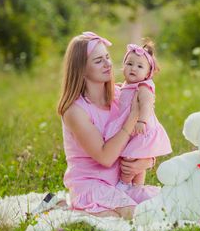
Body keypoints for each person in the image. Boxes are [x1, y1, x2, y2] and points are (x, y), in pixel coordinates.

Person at [57, 31, 158, 219]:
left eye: (107, 57)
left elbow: (146, 136)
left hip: (120, 183)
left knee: (160, 208)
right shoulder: (75, 111)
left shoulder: (120, 96)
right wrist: (133, 117)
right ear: (81, 69)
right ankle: (66, 207)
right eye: (98, 61)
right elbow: (105, 157)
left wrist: (146, 162)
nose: (108, 64)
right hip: (90, 184)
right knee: (130, 216)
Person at [104, 40, 172, 189]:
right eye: (129, 64)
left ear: (148, 73)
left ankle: (124, 183)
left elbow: (146, 105)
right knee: (138, 158)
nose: (133, 68)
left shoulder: (144, 87)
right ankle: (138, 188)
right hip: (132, 128)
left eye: (140, 66)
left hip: (140, 130)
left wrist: (142, 121)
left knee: (131, 157)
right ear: (123, 66)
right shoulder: (127, 85)